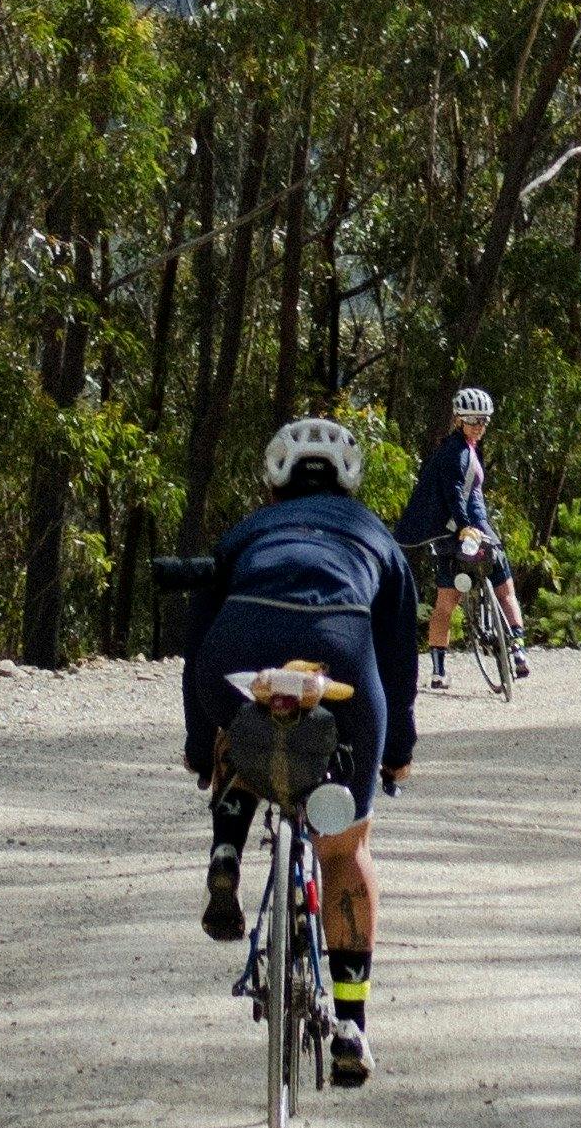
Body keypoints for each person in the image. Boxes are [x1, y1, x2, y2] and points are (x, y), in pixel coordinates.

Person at [183, 414, 415, 1086]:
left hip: (240, 641)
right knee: (344, 847)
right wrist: (396, 748)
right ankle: (352, 1023)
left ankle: (226, 852)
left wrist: (200, 742)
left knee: (239, 732)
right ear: (350, 481)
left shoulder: (247, 531)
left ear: (274, 481)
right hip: (342, 649)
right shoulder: (376, 537)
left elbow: (197, 642)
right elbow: (398, 662)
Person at [395, 382, 525, 675]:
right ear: (458, 420)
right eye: (473, 420)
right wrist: (466, 526)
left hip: (464, 532)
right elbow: (454, 493)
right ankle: (515, 650)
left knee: (455, 600)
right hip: (465, 532)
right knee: (495, 592)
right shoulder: (455, 452)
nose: (480, 426)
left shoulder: (465, 448)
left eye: (484, 421)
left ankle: (510, 653)